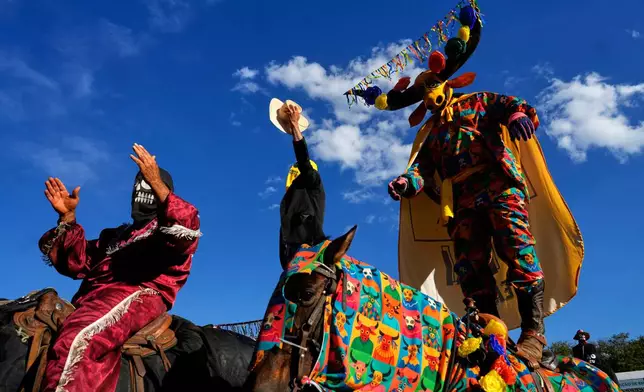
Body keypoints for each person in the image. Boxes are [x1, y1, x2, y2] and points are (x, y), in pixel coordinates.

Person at [369, 5, 552, 368]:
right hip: (462, 203)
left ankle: (534, 335)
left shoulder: (479, 102)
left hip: (500, 187)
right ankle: (490, 335)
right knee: (470, 267)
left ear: (449, 82)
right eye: (425, 93)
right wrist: (407, 183)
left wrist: (518, 115)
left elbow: (515, 105)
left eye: (434, 86)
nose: (431, 95)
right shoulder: (431, 133)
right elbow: (423, 169)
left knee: (518, 249)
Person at [38, 143, 202, 392]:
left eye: (147, 183)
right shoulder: (115, 235)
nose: (140, 189)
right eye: (138, 184)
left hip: (141, 292)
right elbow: (76, 263)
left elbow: (186, 230)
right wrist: (68, 219)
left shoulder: (165, 230)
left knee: (79, 337)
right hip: (91, 299)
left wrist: (156, 180)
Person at [270, 99, 326, 268]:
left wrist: (294, 124)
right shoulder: (289, 200)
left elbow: (303, 158)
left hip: (308, 253)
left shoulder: (312, 182)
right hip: (290, 260)